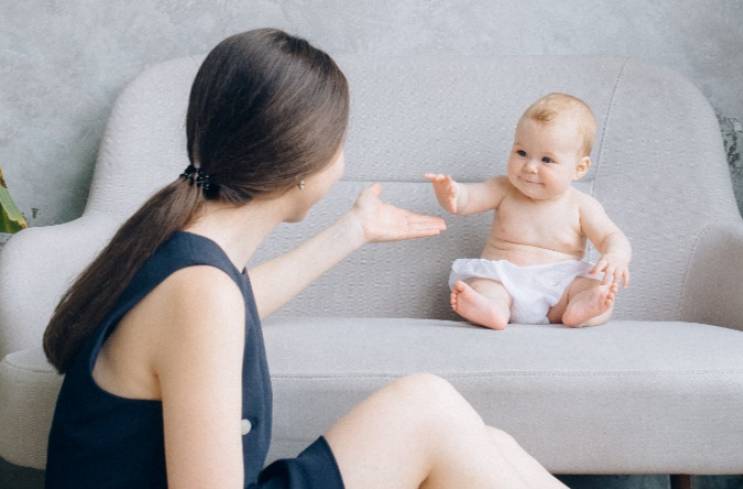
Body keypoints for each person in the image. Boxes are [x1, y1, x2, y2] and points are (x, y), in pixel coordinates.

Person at [42, 28, 569, 489]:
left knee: (482, 438)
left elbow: (238, 306)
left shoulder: (183, 248)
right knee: (428, 407)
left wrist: (353, 231)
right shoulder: (200, 292)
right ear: (303, 161)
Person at [426, 92, 632, 330]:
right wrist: (451, 193)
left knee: (593, 288)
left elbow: (611, 236)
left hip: (559, 286)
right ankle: (492, 309)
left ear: (579, 168)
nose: (530, 167)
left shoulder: (582, 205)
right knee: (485, 286)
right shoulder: (503, 188)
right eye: (521, 153)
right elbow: (465, 201)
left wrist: (617, 255)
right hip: (504, 281)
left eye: (547, 160)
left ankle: (581, 308)